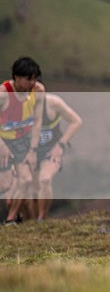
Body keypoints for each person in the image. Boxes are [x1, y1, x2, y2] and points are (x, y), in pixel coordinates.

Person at [0, 57, 46, 225]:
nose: (33, 82)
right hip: (2, 141)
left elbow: (38, 121)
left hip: (21, 141)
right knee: (6, 187)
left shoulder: (38, 91)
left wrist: (33, 150)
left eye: (35, 78)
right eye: (29, 79)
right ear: (17, 78)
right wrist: (2, 146)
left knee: (26, 180)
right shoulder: (4, 94)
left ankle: (11, 219)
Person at [33, 93, 82, 220]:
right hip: (27, 151)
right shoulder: (16, 105)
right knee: (31, 188)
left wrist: (60, 145)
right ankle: (29, 221)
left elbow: (76, 121)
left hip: (50, 150)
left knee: (45, 180)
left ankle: (42, 218)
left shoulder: (53, 103)